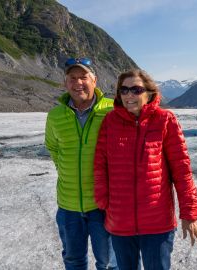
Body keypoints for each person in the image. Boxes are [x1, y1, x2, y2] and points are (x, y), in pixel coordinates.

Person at [94, 69, 197, 270]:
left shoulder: (165, 120)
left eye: (136, 89)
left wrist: (189, 214)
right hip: (120, 221)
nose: (129, 95)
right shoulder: (110, 122)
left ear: (149, 93)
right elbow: (100, 166)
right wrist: (104, 202)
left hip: (157, 223)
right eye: (124, 90)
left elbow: (182, 171)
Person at [45, 57, 117, 270]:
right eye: (72, 78)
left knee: (109, 263)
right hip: (68, 206)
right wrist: (67, 173)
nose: (78, 83)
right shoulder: (55, 115)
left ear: (95, 80)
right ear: (65, 83)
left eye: (83, 77)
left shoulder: (112, 110)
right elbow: (53, 147)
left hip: (103, 205)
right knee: (73, 261)